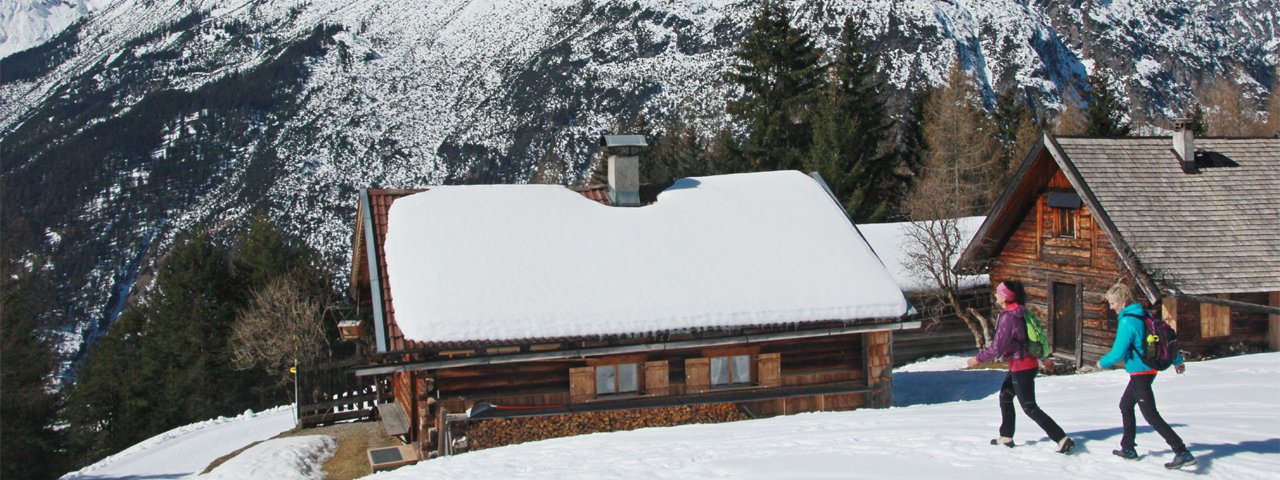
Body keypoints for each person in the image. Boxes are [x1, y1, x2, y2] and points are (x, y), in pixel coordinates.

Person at [967, 281, 1074, 453]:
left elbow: (997, 348)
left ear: (1005, 297)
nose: (995, 294)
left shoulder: (1009, 317)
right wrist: (1043, 358)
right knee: (1005, 395)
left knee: (1030, 407)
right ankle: (1006, 437)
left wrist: (977, 359)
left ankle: (1062, 439)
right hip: (1024, 363)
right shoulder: (1021, 311)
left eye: (998, 292)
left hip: (1021, 366)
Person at [1098, 282, 1195, 469]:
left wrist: (1101, 363)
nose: (1111, 307)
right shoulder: (1144, 314)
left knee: (1151, 415)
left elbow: (1118, 352)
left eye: (1112, 303)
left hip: (1141, 372)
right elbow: (1163, 339)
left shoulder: (1127, 321)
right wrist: (1177, 361)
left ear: (1123, 302)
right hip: (1147, 370)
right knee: (1125, 405)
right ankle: (1128, 448)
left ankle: (1182, 451)